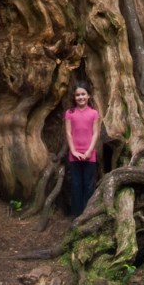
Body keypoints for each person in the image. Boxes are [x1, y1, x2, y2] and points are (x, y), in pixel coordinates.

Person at [64, 82, 100, 217]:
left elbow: (95, 133)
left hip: (89, 155)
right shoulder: (70, 113)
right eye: (78, 95)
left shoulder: (94, 113)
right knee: (76, 185)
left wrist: (89, 151)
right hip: (74, 155)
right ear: (74, 97)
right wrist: (73, 151)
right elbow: (68, 133)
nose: (80, 97)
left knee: (89, 185)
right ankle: (77, 215)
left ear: (88, 95)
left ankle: (88, 214)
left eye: (83, 94)